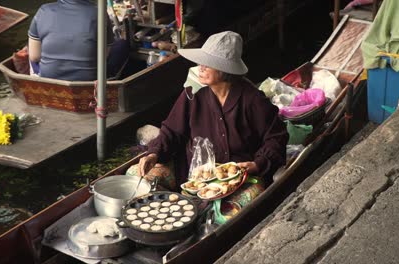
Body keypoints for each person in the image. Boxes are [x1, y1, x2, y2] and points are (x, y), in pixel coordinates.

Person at [138, 31, 289, 186]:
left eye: (208, 63)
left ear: (225, 70)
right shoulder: (193, 92)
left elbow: (276, 136)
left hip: (236, 177)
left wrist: (259, 163)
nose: (200, 67)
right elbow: (172, 131)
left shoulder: (252, 99)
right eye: (201, 62)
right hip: (196, 175)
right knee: (138, 174)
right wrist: (154, 153)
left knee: (243, 200)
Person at [27, 0, 128, 81]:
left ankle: (36, 78)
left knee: (31, 47)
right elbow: (104, 55)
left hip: (49, 77)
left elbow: (34, 56)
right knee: (123, 44)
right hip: (88, 79)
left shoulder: (43, 10)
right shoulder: (99, 12)